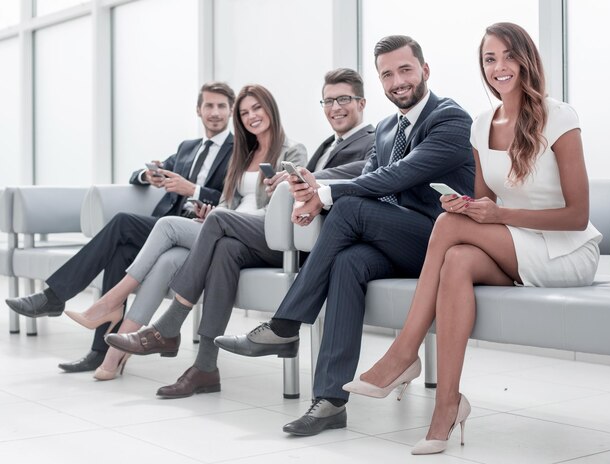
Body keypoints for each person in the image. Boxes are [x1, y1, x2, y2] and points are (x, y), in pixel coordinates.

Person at [343, 22, 602, 456]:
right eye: (489, 59)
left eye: (507, 56)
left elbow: (578, 217)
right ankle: (446, 406)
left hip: (566, 251)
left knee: (449, 234)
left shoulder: (560, 117)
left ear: (526, 59)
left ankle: (403, 353)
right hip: (515, 246)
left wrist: (496, 215)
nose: (499, 67)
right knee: (458, 257)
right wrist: (465, 208)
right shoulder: (481, 125)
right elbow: (483, 204)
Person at [214, 35, 475, 437]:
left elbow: (401, 175)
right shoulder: (388, 128)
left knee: (349, 206)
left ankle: (284, 326)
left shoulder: (450, 118)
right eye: (387, 74)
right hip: (396, 237)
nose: (397, 81)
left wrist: (324, 195)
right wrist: (316, 195)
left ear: (425, 71)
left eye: (405, 70)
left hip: (441, 239)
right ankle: (330, 402)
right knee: (348, 261)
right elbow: (370, 178)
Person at [101, 69, 376, 395]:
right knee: (224, 248)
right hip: (265, 233)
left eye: (342, 99)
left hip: (297, 240)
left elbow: (357, 173)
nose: (335, 107)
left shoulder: (369, 141)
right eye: (328, 101)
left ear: (361, 102)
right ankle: (204, 368)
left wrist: (294, 180)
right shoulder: (321, 145)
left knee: (212, 221)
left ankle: (168, 324)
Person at [5, 82, 236, 373]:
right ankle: (99, 352)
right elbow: (137, 175)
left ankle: (53, 297)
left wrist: (194, 189)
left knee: (122, 223)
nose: (214, 112)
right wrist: (147, 175)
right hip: (165, 227)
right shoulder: (187, 148)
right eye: (209, 106)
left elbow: (233, 197)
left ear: (229, 111)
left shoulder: (238, 149)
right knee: (121, 252)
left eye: (221, 107)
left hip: (198, 228)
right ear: (198, 110)